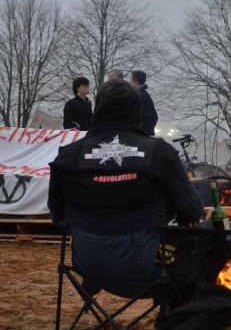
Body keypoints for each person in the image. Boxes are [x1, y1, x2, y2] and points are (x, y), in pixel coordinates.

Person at [48, 80, 205, 297]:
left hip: (88, 263)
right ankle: (177, 319)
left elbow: (57, 214)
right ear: (137, 109)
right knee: (210, 243)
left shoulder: (68, 155)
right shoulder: (159, 152)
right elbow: (191, 210)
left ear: (98, 108)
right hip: (148, 267)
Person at [129, 70, 158, 136]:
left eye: (130, 80)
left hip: (139, 134)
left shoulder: (137, 95)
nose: (129, 82)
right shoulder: (143, 93)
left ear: (135, 80)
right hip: (143, 133)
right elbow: (154, 116)